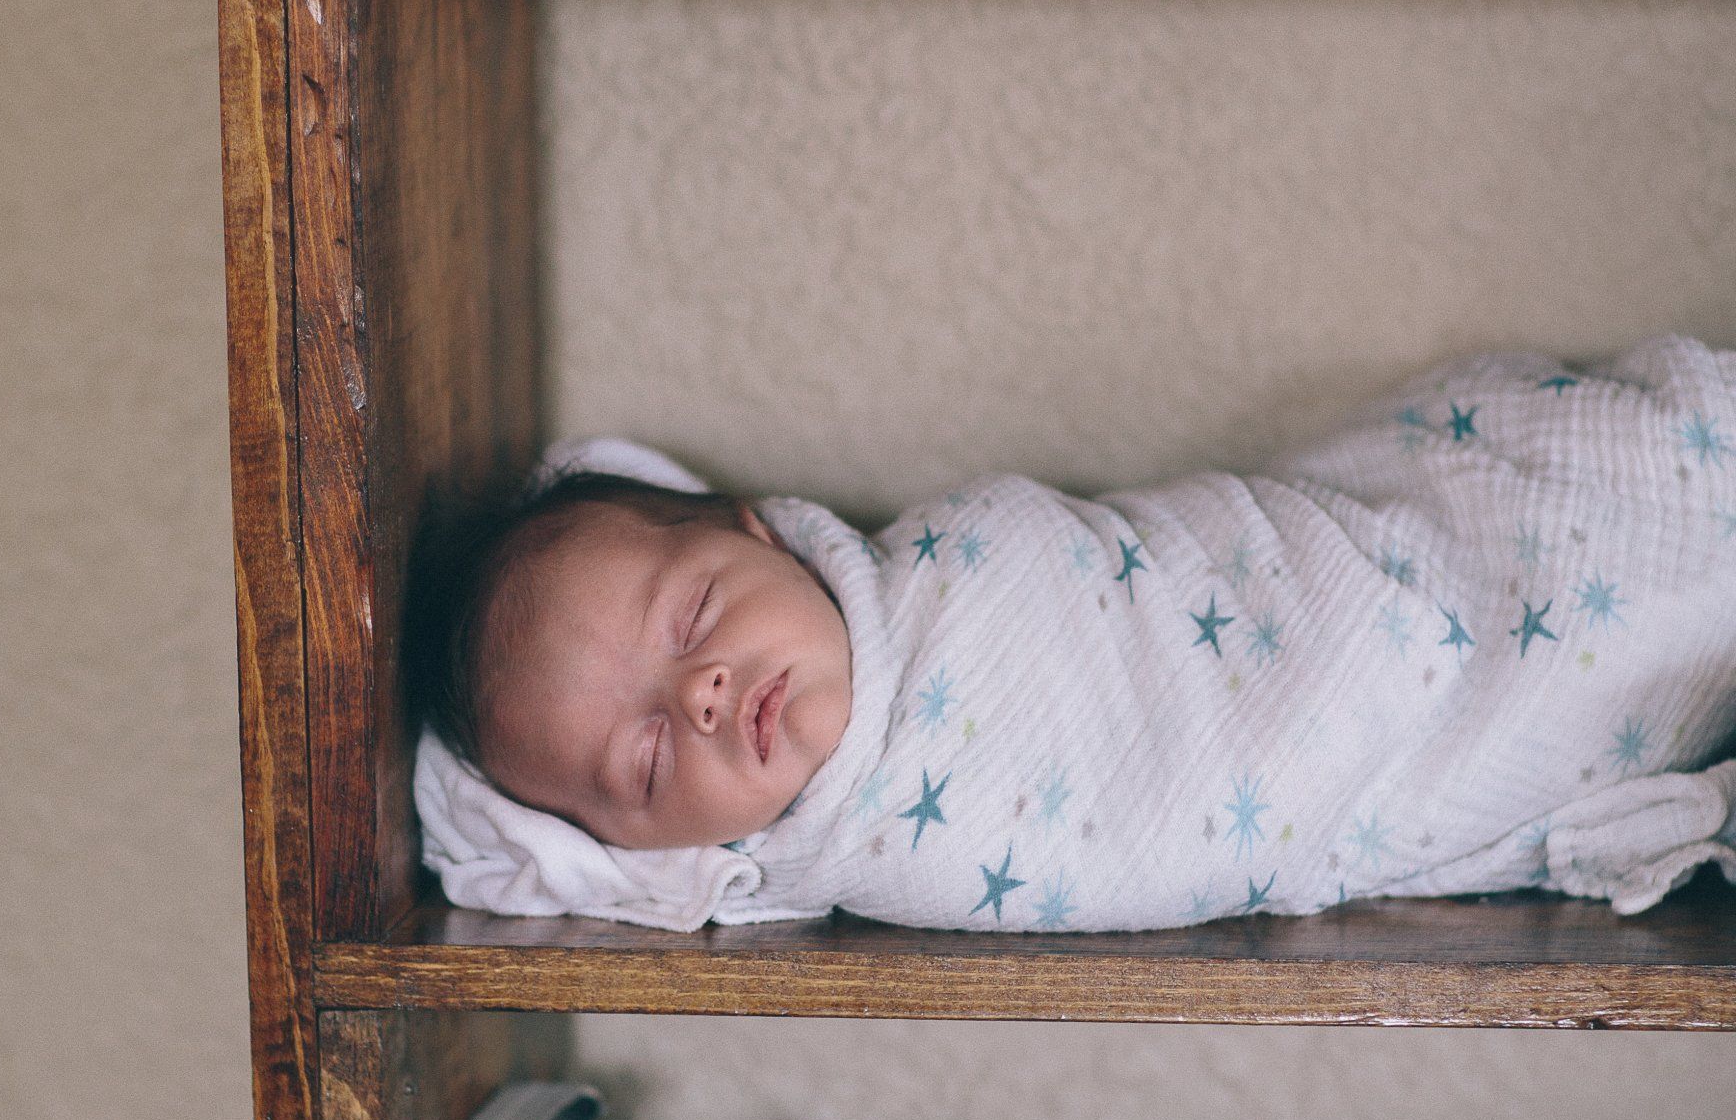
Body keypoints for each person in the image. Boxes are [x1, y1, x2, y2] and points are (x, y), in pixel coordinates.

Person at [413, 340, 1736, 934]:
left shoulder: (956, 571)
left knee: (1634, 509)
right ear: (641, 855)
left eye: (691, 619)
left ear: (759, 532)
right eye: (644, 768)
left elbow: (1144, 599)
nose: (698, 696)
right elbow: (517, 868)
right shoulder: (808, 861)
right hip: (1386, 772)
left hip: (1371, 564)